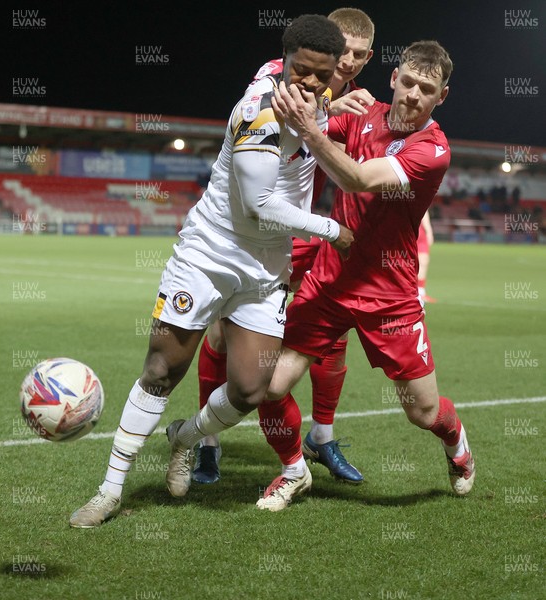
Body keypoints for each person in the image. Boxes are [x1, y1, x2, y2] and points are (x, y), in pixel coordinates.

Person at [69, 14, 353, 528]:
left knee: (249, 389)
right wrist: (332, 230)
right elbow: (260, 206)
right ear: (284, 62)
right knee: (161, 369)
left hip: (266, 268)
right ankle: (109, 491)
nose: (310, 83)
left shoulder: (322, 94)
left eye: (323, 74)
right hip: (210, 253)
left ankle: (183, 437)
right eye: (302, 71)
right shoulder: (258, 111)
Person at [250, 40, 475, 511]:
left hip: (389, 296)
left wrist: (313, 128)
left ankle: (457, 445)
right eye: (408, 82)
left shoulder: (432, 150)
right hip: (329, 282)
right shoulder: (363, 113)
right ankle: (294, 470)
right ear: (394, 78)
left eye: (426, 89)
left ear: (442, 97)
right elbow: (299, 127)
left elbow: (354, 177)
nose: (414, 95)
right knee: (266, 387)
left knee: (423, 412)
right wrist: (304, 99)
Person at [193, 7, 376, 487]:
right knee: (220, 337)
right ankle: (206, 445)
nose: (348, 64)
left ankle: (323, 435)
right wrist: (323, 111)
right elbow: (264, 105)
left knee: (329, 337)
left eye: (357, 56)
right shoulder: (278, 78)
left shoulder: (350, 96)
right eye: (344, 53)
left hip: (309, 233)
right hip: (264, 230)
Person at [417, 210, 435, 302]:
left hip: (420, 231)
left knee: (424, 261)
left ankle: (421, 292)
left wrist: (429, 231)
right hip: (407, 230)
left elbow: (424, 210)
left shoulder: (418, 196)